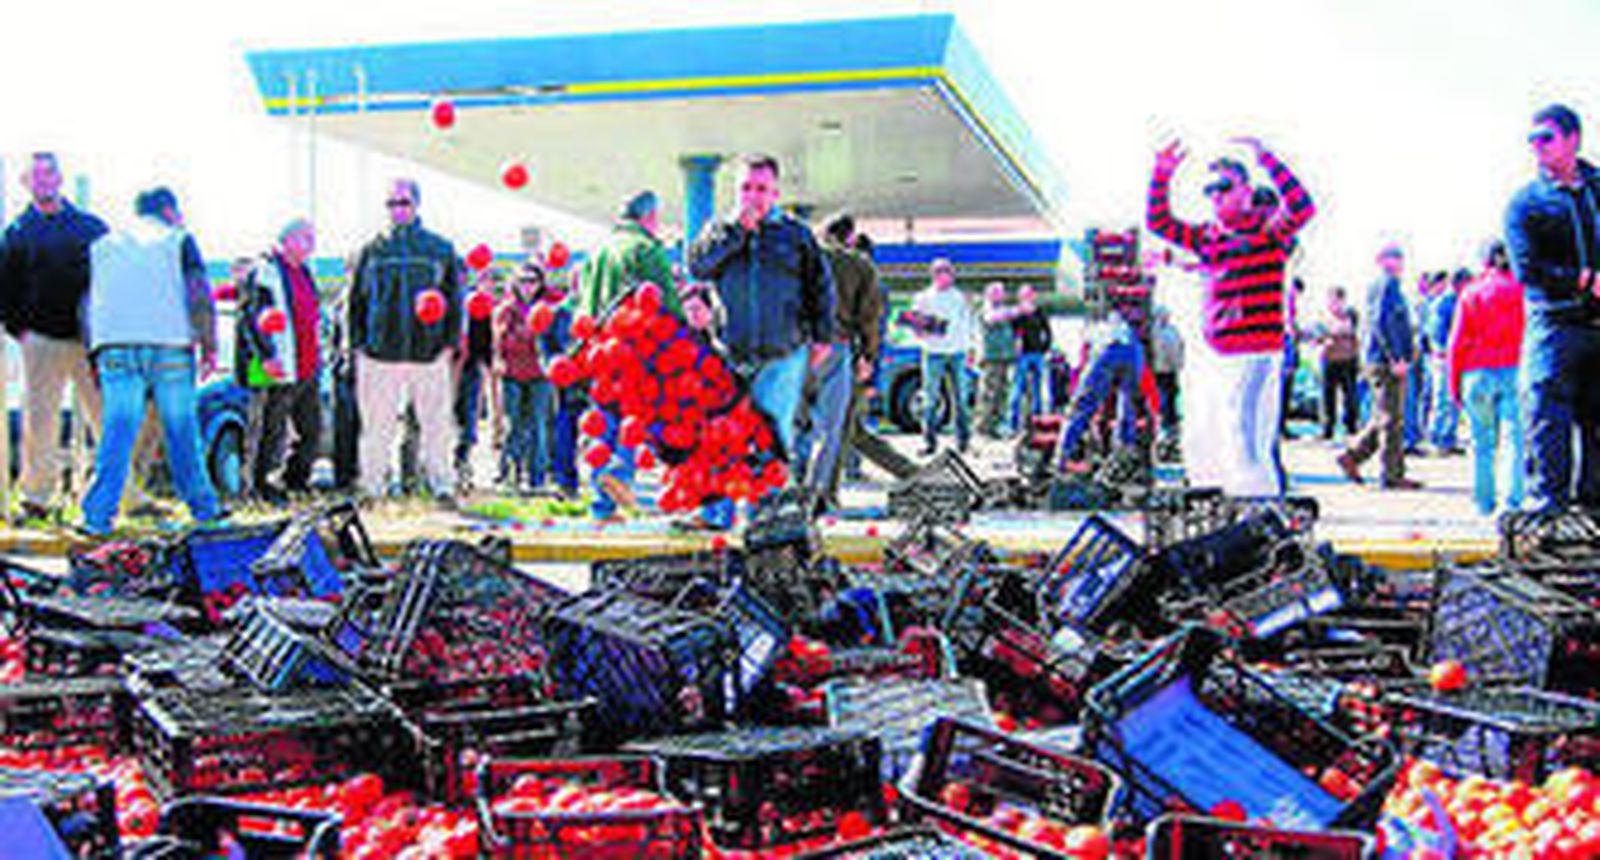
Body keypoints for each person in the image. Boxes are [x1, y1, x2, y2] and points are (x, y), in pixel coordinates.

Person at [1145, 135, 1315, 495]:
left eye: (1223, 186)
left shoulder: (1269, 229)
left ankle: (1257, 509)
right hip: (1214, 354)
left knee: (1245, 439)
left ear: (1246, 190)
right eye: (1209, 189)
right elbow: (1158, 221)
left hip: (1253, 352)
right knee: (1203, 439)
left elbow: (1302, 208)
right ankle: (1215, 510)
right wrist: (1162, 173)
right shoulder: (1208, 236)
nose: (1215, 195)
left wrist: (1267, 158)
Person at [688, 154, 836, 527]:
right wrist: (736, 231)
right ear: (736, 190)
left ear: (776, 193)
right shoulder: (718, 229)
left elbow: (821, 287)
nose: (753, 196)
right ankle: (716, 515)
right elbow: (698, 266)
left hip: (782, 353)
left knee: (771, 439)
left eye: (762, 189)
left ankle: (763, 521)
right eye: (747, 188)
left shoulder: (795, 234)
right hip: (727, 351)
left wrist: (823, 336)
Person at [79, 187, 223, 536]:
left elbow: (86, 303)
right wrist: (209, 342)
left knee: (117, 430)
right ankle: (203, 509)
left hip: (115, 345)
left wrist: (93, 351)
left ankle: (97, 516)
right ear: (169, 210)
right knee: (181, 430)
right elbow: (198, 292)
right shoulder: (177, 240)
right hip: (169, 343)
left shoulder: (103, 247)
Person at [0, 153, 109, 522]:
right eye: (36, 175)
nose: (43, 180)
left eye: (49, 173)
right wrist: (20, 329)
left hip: (88, 340)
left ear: (60, 178)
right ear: (25, 182)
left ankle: (119, 495)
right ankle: (37, 498)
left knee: (106, 418)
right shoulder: (17, 232)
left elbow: (110, 280)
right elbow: (6, 287)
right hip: (41, 341)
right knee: (39, 421)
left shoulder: (90, 227)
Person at [1505, 103, 1600, 510]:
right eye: (1532, 141)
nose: (1537, 148)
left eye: (1545, 138)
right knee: (1546, 413)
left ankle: (1593, 512)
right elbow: (1526, 268)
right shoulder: (1526, 203)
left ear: (1573, 139)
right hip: (1555, 323)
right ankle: (1548, 509)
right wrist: (1584, 279)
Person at [347, 178, 464, 502]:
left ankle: (442, 485)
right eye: (391, 203)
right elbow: (355, 301)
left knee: (437, 426)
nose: (397, 210)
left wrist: (449, 345)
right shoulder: (370, 250)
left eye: (403, 203)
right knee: (376, 428)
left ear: (416, 205)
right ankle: (372, 488)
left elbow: (456, 300)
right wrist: (356, 347)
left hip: (428, 353)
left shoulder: (440, 249)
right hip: (379, 353)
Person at [577, 190, 678, 520]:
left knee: (603, 422)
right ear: (649, 217)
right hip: (636, 347)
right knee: (634, 418)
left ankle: (602, 505)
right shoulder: (646, 249)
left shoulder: (597, 253)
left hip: (598, 350)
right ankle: (619, 476)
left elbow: (583, 305)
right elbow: (667, 303)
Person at [793, 213, 882, 512]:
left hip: (797, 349)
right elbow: (870, 317)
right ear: (850, 237)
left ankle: (791, 492)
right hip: (837, 348)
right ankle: (816, 495)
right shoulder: (859, 265)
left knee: (797, 424)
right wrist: (868, 356)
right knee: (829, 429)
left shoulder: (801, 259)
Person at [236, 218, 322, 503]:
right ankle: (256, 487)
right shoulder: (265, 272)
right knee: (268, 430)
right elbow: (250, 317)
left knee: (311, 430)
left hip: (307, 366)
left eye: (312, 238)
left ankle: (294, 481)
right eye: (304, 238)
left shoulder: (306, 272)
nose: (311, 243)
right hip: (277, 365)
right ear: (286, 241)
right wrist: (267, 356)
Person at [1448, 241, 1525, 515]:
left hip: (1476, 372)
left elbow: (1456, 343)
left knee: (1482, 443)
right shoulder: (1521, 290)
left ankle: (1483, 503)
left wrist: (1453, 385)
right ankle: (1512, 504)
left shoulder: (1471, 292)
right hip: (1514, 368)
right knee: (1514, 440)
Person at [1337, 244, 1420, 489]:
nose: (1399, 262)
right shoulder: (1386, 285)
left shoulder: (1390, 286)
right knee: (1391, 419)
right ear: (1382, 261)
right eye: (1393, 257)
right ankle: (1392, 474)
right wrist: (1396, 357)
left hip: (1385, 359)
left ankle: (1352, 456)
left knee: (1385, 415)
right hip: (1385, 361)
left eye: (1400, 257)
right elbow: (1382, 323)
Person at [903, 257, 977, 456]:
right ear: (934, 275)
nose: (945, 277)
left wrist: (972, 348)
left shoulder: (960, 297)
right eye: (941, 272)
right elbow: (914, 323)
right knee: (930, 398)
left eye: (948, 272)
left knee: (961, 397)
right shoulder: (923, 297)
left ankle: (963, 441)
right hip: (933, 351)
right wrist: (920, 331)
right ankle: (929, 441)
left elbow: (969, 323)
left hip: (958, 352)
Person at [494, 264, 550, 493]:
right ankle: (508, 475)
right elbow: (501, 342)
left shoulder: (545, 308)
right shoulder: (507, 309)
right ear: (515, 283)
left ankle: (537, 478)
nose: (528, 285)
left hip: (539, 374)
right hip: (512, 373)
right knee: (513, 425)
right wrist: (530, 333)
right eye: (523, 280)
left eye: (533, 280)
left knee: (538, 425)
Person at [455, 267, 498, 491]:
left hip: (470, 369)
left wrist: (488, 370)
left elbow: (485, 343)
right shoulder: (449, 303)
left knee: (468, 421)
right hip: (445, 370)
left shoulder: (481, 306)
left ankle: (462, 466)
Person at [1423, 270, 1467, 454]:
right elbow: (1436, 332)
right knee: (1441, 398)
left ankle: (1448, 437)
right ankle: (1436, 437)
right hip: (1443, 357)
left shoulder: (1457, 301)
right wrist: (1443, 350)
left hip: (1456, 356)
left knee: (1454, 399)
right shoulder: (1444, 303)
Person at [1008, 285, 1053, 434]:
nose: (1028, 297)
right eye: (1025, 294)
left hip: (1037, 353)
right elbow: (1013, 332)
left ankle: (1038, 420)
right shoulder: (1017, 312)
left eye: (1030, 294)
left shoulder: (1039, 312)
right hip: (1023, 355)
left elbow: (1047, 331)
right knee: (1018, 388)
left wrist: (1045, 347)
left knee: (1037, 389)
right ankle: (1013, 423)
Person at [1319, 286, 1360, 439]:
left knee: (1350, 394)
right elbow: (1316, 337)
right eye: (1331, 300)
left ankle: (1351, 425)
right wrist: (1324, 341)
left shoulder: (1351, 316)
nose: (1333, 304)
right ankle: (1327, 427)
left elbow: (1357, 336)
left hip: (1348, 360)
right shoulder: (1323, 317)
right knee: (1328, 395)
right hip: (1329, 360)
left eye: (1337, 300)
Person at [977, 282, 1017, 439]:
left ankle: (997, 425)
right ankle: (983, 426)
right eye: (996, 292)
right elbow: (991, 318)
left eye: (1001, 292)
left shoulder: (1003, 310)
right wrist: (1017, 310)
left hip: (1004, 357)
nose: (1000, 295)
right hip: (991, 358)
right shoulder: (987, 309)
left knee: (1002, 392)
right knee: (989, 392)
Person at [1149, 306, 1185, 438]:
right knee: (1165, 396)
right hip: (1161, 370)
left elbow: (1179, 347)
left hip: (1168, 370)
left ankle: (1171, 423)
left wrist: (1178, 363)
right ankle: (1166, 423)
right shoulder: (1158, 332)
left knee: (1171, 395)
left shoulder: (1169, 331)